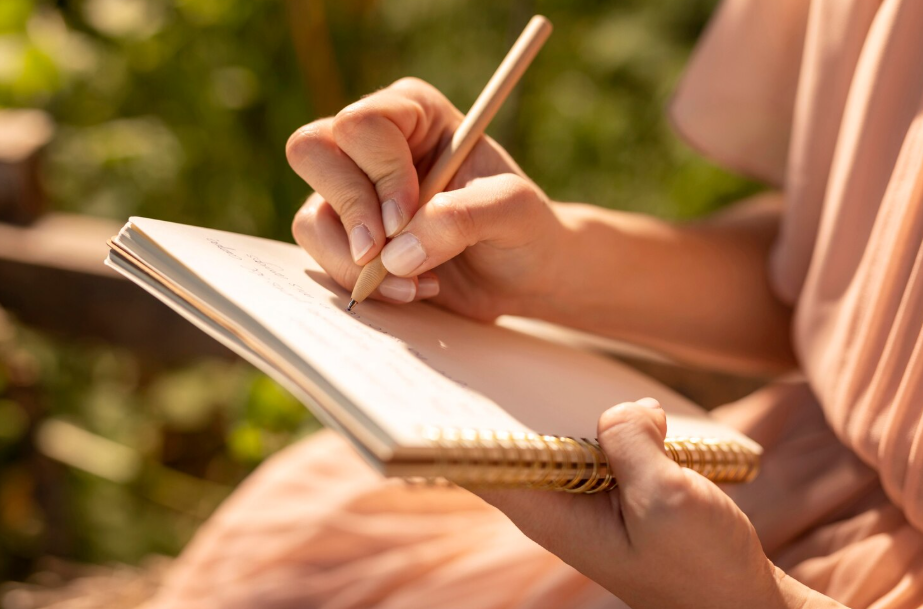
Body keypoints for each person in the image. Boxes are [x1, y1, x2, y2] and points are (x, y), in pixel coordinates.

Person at [146, 0, 923, 607]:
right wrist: (548, 261)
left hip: (728, 566)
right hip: (759, 496)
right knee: (294, 546)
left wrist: (749, 600)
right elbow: (843, 262)